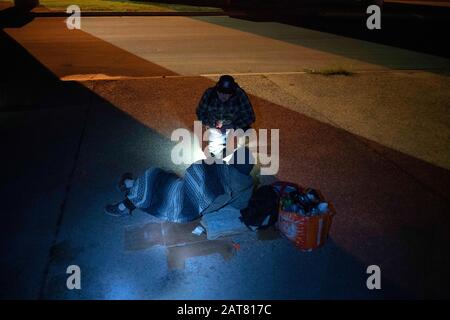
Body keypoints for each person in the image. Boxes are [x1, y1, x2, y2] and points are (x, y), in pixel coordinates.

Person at [104, 148, 255, 219]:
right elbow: (240, 205)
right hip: (187, 194)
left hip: (185, 207)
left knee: (155, 179)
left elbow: (197, 170)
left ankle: (125, 205)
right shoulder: (245, 186)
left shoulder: (224, 170)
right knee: (160, 176)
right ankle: (130, 184)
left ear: (234, 161)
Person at [196, 75, 255, 159]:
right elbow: (200, 113)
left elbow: (250, 116)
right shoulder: (209, 93)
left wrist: (232, 126)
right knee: (215, 154)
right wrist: (212, 123)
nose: (224, 96)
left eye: (228, 94)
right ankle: (218, 152)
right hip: (215, 127)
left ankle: (237, 152)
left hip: (234, 125)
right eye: (221, 92)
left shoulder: (239, 94)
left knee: (240, 148)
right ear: (217, 89)